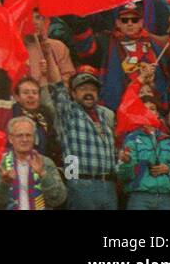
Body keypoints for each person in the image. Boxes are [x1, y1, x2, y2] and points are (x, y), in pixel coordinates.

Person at [51, 70, 119, 210]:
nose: (89, 93)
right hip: (80, 183)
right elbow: (58, 86)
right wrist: (48, 53)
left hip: (108, 185)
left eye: (93, 89)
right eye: (83, 89)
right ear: (73, 94)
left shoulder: (106, 115)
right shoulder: (68, 111)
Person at [117, 93, 170, 210]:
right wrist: (126, 162)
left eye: (152, 109)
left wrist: (169, 170)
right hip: (139, 198)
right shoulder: (131, 139)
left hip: (166, 198)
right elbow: (123, 176)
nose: (149, 112)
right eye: (144, 109)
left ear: (157, 113)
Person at [0, 116, 67, 210]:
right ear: (10, 138)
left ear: (34, 138)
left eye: (28, 135)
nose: (24, 139)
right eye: (19, 135)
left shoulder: (46, 163)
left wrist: (43, 174)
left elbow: (59, 200)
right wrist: (4, 183)